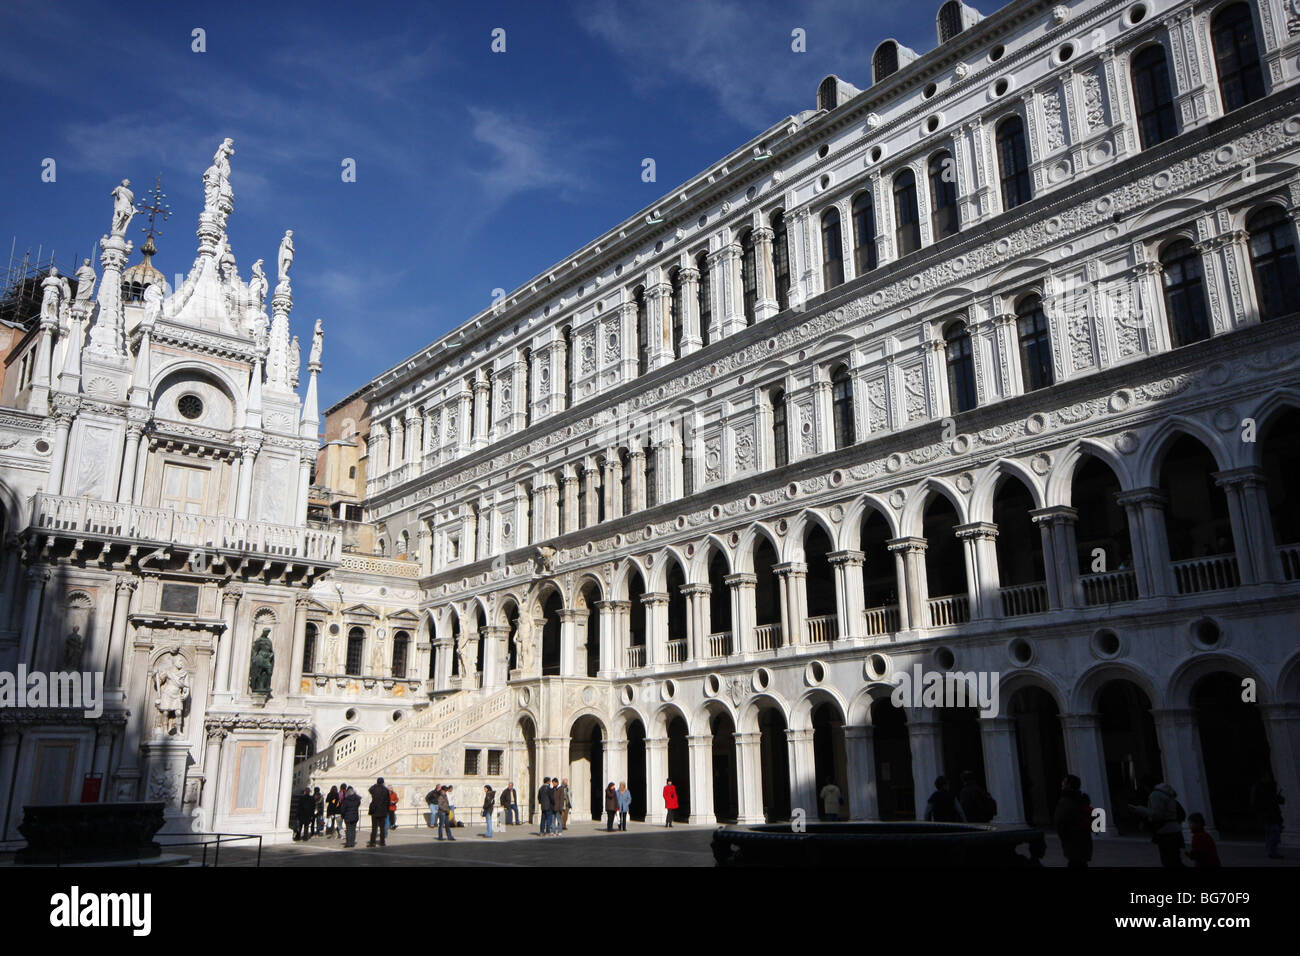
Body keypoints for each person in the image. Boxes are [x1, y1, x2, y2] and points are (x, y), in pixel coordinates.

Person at [1129, 775, 1185, 868]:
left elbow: (1157, 815)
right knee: (1175, 860)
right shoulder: (1167, 793)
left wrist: (1139, 809)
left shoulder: (1155, 795)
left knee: (1169, 861)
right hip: (1174, 830)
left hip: (1165, 831)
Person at [1053, 774, 1093, 869]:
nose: (1062, 784)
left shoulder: (1066, 802)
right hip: (1084, 841)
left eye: (1064, 782)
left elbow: (1060, 823)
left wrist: (1064, 838)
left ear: (1068, 785)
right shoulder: (1082, 800)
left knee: (1075, 863)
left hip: (1073, 842)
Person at [1250, 773, 1285, 859]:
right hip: (1267, 814)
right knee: (1273, 832)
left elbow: (1274, 799)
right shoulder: (1259, 788)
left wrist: (1278, 799)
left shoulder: (1269, 787)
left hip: (1272, 813)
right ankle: (1272, 852)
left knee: (1271, 832)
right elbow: (1256, 802)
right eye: (1266, 777)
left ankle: (1271, 851)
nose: (1268, 778)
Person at [367, 777, 390, 847]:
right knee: (382, 828)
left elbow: (369, 790)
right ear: (383, 782)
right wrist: (387, 810)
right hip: (382, 811)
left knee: (374, 828)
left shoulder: (374, 789)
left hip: (374, 810)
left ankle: (372, 842)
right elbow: (387, 801)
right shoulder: (385, 790)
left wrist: (375, 785)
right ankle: (382, 842)